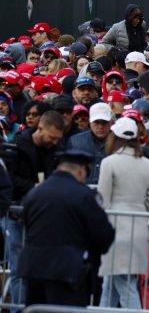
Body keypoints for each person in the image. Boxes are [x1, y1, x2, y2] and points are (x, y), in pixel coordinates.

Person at [18, 149, 115, 306]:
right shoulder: (85, 195)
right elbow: (103, 234)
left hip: (34, 269)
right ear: (81, 171)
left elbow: (27, 224)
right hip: (68, 272)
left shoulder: (36, 193)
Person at [3, 109, 66, 306]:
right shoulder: (16, 146)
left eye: (58, 139)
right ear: (40, 129)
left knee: (40, 270)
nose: (54, 142)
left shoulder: (56, 150)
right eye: (52, 137)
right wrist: (36, 187)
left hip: (43, 218)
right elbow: (8, 180)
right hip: (17, 214)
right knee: (19, 270)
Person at [97, 117, 149, 309]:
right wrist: (140, 207)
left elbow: (103, 200)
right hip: (138, 229)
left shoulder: (109, 163)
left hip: (114, 229)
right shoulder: (148, 164)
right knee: (112, 284)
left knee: (125, 286)